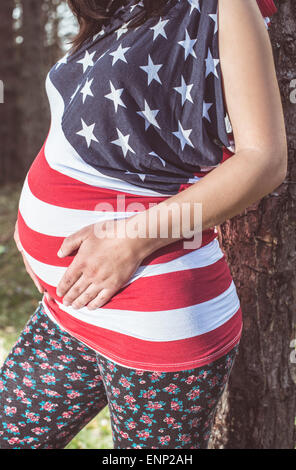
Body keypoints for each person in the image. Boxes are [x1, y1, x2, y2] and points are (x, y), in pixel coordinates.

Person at [0, 0, 287, 449]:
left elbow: (265, 161)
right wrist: (34, 218)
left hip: (157, 318)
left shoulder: (226, 5)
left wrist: (130, 242)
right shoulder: (118, 7)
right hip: (74, 303)